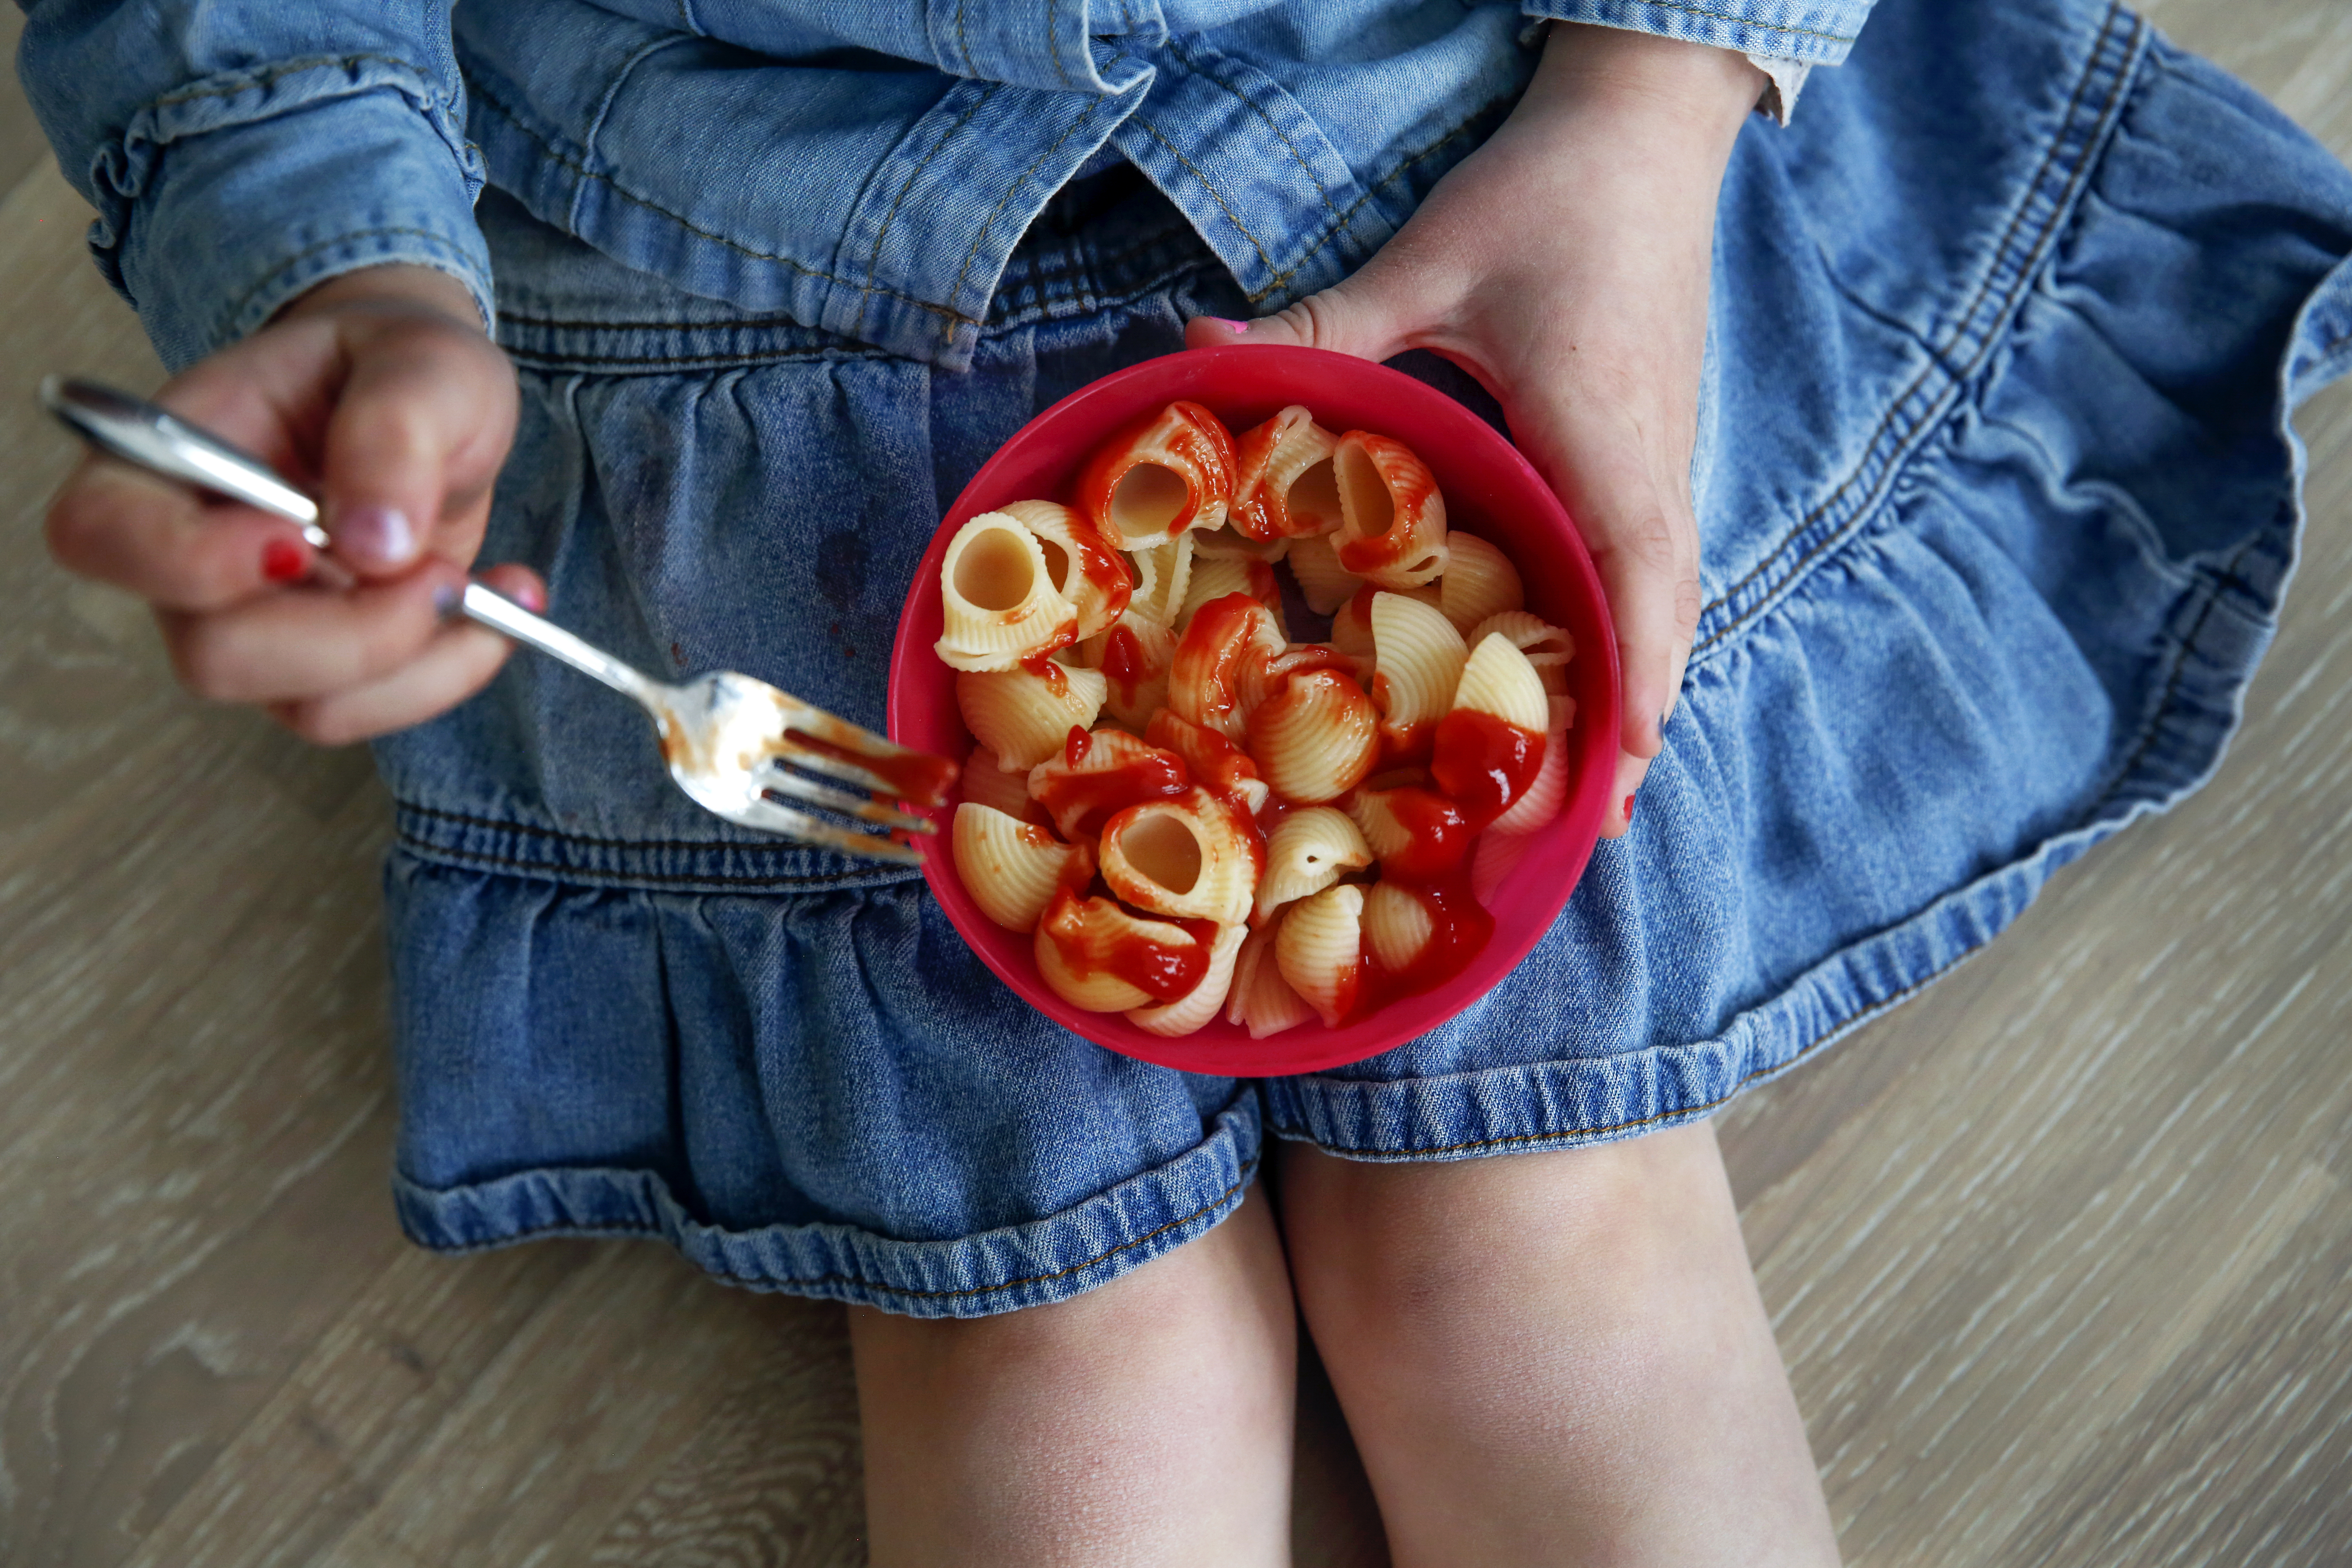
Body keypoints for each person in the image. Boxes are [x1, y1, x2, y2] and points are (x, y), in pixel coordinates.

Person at [25, 0, 2352, 1560]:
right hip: (711, 287)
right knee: (1055, 1341)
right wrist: (332, 247)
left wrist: (1647, 112)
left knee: (1529, 1219)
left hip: (1473, 155)